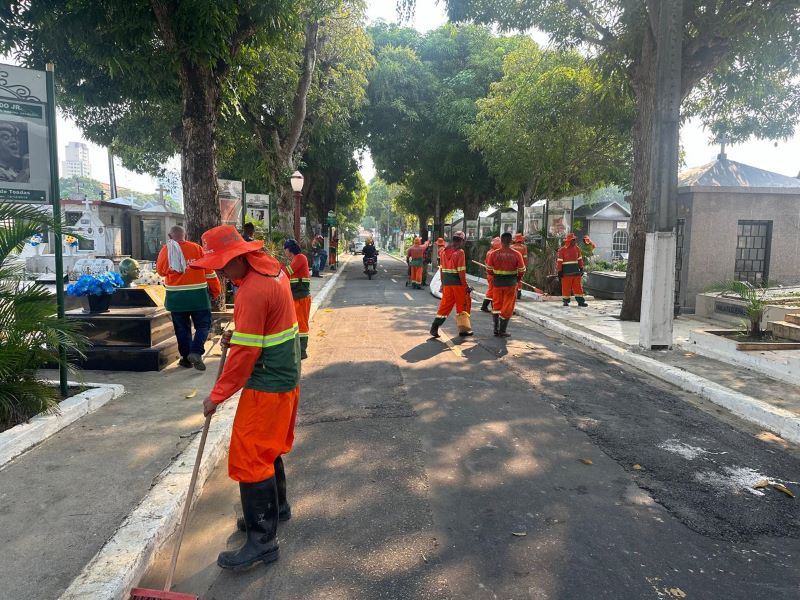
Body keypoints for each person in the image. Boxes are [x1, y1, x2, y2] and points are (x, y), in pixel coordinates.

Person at [192, 225, 301, 571]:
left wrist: (216, 395)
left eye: (223, 265)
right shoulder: (272, 269)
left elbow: (243, 359)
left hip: (268, 381)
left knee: (251, 454)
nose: (221, 273)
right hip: (284, 375)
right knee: (268, 448)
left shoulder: (252, 291)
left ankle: (262, 540)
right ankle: (276, 508)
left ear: (239, 257)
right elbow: (260, 329)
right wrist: (239, 333)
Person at [156, 225, 221, 370]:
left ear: (169, 235)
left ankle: (186, 359)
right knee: (203, 325)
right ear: (185, 235)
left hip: (176, 298)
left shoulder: (166, 250)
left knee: (182, 329)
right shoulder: (197, 248)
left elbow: (160, 271)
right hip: (198, 296)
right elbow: (209, 271)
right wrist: (216, 290)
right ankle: (196, 352)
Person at [430, 231, 473, 338]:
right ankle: (463, 330)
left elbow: (442, 270)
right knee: (463, 305)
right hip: (458, 284)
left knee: (445, 306)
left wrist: (443, 284)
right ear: (462, 241)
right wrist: (466, 286)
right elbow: (461, 272)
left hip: (447, 284)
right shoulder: (460, 252)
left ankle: (434, 327)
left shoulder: (444, 252)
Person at [487, 232, 526, 337]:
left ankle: (496, 329)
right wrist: (518, 278)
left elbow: (489, 270)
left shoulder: (493, 254)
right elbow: (522, 270)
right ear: (510, 241)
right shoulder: (516, 254)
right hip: (510, 284)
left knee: (496, 305)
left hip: (497, 283)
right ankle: (502, 330)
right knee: (507, 307)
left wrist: (496, 275)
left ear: (501, 241)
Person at [283, 239, 311, 359]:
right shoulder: (296, 259)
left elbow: (288, 272)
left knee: (302, 324)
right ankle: (297, 349)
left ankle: (302, 351)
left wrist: (277, 267)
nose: (284, 252)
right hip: (296, 296)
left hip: (302, 297)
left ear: (289, 249)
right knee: (296, 324)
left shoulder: (300, 258)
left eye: (285, 249)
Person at [557, 232, 588, 307]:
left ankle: (580, 302)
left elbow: (580, 259)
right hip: (566, 273)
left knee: (578, 288)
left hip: (576, 272)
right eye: (573, 240)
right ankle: (565, 302)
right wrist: (559, 271)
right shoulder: (562, 250)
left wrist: (581, 268)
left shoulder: (577, 248)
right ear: (569, 241)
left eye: (574, 239)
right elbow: (559, 262)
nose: (575, 241)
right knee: (566, 288)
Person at [480, 236, 502, 313]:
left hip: (490, 274)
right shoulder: (494, 253)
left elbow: (487, 262)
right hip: (493, 275)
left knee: (492, 290)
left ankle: (489, 307)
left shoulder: (489, 252)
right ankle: (487, 306)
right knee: (492, 291)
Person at [511, 233, 529, 300]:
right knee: (520, 279)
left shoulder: (511, 247)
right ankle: (519, 293)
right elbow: (525, 258)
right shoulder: (524, 247)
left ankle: (513, 293)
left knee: (512, 279)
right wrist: (525, 267)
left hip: (512, 266)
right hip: (520, 266)